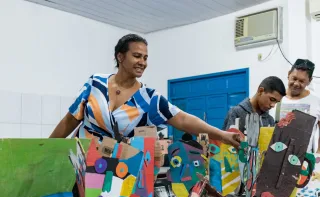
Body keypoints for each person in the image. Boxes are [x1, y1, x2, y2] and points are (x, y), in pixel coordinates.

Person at [50, 34, 240, 148]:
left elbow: (182, 119)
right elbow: (70, 119)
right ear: (120, 56)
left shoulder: (149, 99)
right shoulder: (95, 83)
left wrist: (222, 135)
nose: (143, 62)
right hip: (79, 162)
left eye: (145, 57)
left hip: (115, 170)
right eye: (137, 56)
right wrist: (45, 147)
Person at [276, 58, 320, 153]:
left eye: (302, 81)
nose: (296, 84)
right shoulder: (277, 98)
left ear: (309, 81)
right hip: (276, 155)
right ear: (288, 74)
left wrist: (318, 153)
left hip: (304, 160)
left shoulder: (316, 101)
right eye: (294, 78)